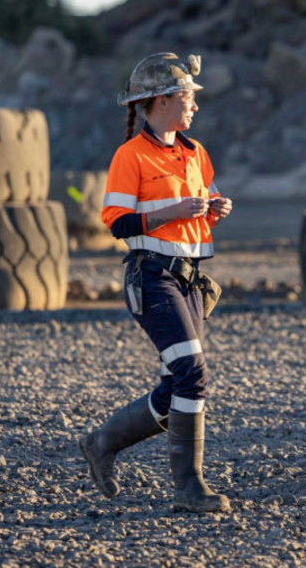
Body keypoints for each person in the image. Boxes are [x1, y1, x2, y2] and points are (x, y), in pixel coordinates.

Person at [80, 52, 233, 513]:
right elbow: (118, 222)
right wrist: (171, 211)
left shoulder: (195, 151)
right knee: (193, 374)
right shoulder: (130, 155)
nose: (195, 107)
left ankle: (102, 442)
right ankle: (189, 487)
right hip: (151, 276)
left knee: (177, 383)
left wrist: (214, 210)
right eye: (188, 98)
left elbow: (196, 210)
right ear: (161, 101)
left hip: (190, 280)